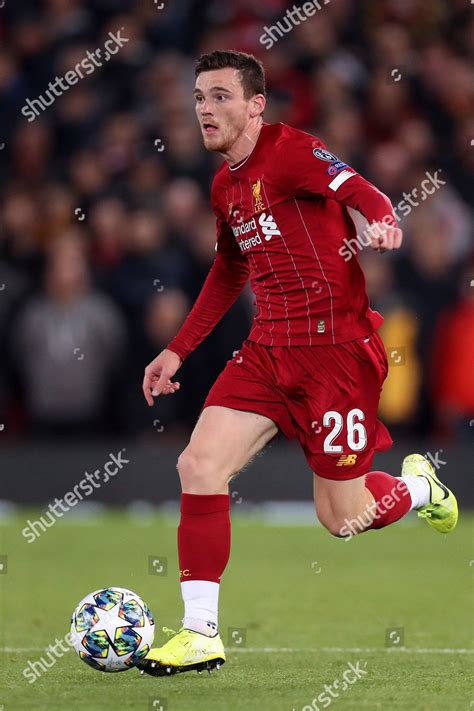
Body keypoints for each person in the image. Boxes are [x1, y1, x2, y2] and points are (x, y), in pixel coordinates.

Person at [139, 50, 458, 677]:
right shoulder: (224, 185)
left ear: (256, 105)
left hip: (336, 355)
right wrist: (177, 348)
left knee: (343, 519)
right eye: (200, 97)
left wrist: (384, 217)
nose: (206, 109)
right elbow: (230, 268)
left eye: (221, 97)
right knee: (198, 464)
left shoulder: (291, 150)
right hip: (266, 350)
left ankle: (420, 486)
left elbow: (357, 188)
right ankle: (200, 632)